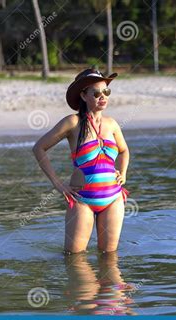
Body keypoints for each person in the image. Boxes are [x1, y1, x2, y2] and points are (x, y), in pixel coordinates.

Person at [33, 69, 130, 254]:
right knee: (74, 260)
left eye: (106, 92)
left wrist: (123, 172)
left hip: (114, 199)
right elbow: (39, 148)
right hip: (82, 200)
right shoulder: (73, 123)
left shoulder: (112, 124)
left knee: (109, 259)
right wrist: (58, 184)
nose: (103, 97)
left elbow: (124, 151)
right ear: (84, 96)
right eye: (96, 93)